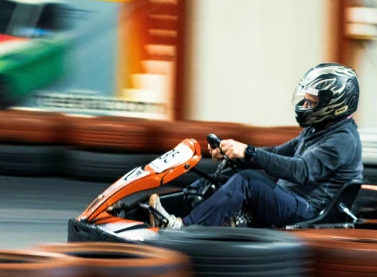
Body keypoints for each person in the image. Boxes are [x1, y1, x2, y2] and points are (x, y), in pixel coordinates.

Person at [149, 63, 364, 229]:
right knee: (223, 178)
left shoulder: (343, 140)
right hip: (291, 200)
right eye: (306, 100)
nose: (305, 105)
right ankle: (159, 214)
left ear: (333, 103)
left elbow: (300, 170)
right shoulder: (318, 129)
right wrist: (238, 155)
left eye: (311, 102)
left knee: (247, 181)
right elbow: (277, 154)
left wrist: (249, 152)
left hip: (308, 212)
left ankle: (182, 229)